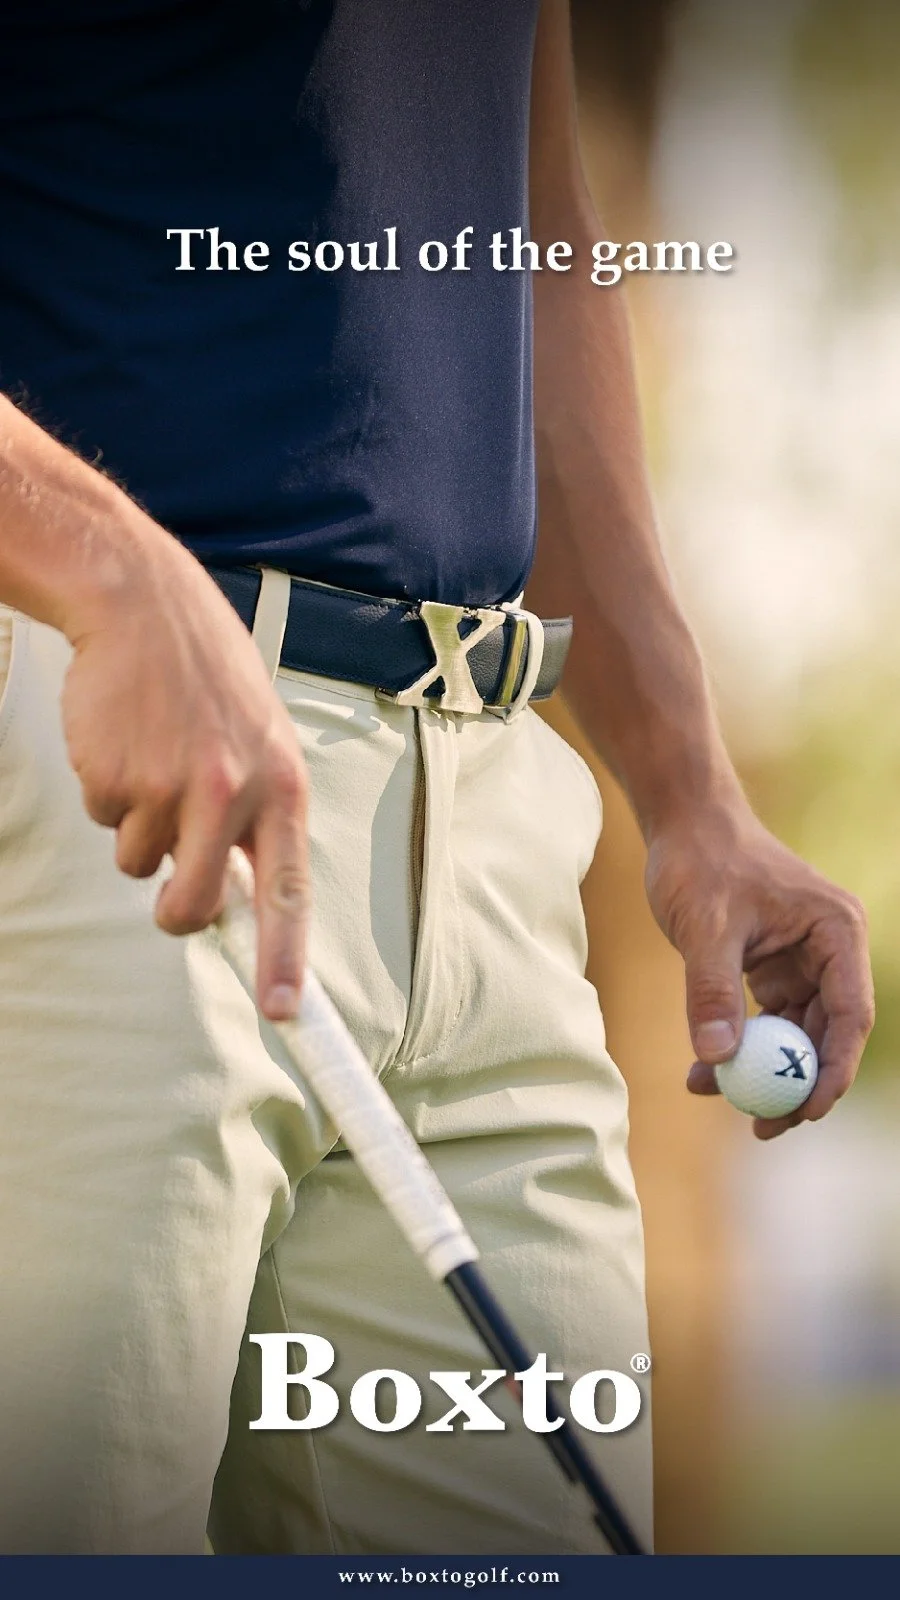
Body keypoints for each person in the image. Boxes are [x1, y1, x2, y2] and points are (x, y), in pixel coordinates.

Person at [0, 0, 873, 1558]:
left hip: (489, 821)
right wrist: (106, 569)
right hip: (105, 777)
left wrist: (688, 789)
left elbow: (519, 231)